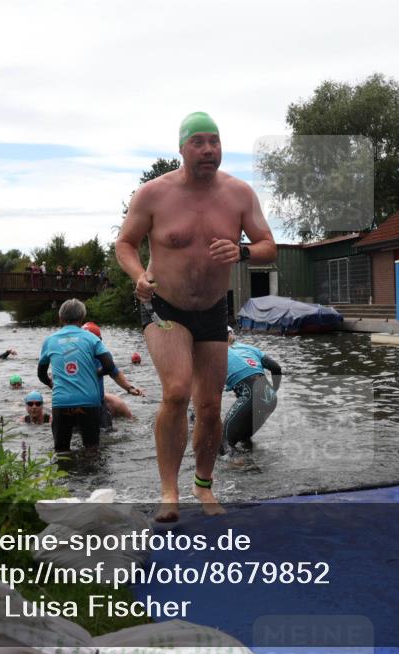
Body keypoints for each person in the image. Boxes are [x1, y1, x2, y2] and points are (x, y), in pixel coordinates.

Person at [115, 111, 277, 521]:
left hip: (212, 309)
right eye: (199, 142)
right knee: (176, 390)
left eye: (215, 141)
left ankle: (203, 486)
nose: (208, 150)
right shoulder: (153, 194)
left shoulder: (239, 194)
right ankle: (169, 492)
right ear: (182, 149)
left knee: (208, 407)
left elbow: (267, 245)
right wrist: (139, 276)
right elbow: (125, 244)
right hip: (163, 306)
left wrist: (241, 251)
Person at [37, 299, 124, 452]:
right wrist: (96, 372)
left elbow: (41, 374)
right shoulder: (92, 338)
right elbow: (109, 366)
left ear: (60, 318)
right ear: (82, 318)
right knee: (92, 449)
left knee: (61, 450)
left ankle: (65, 475)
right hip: (89, 401)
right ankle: (93, 475)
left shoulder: (50, 341)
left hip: (62, 401)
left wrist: (52, 384)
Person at [221, 327, 281, 454]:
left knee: (224, 442)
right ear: (232, 335)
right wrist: (274, 390)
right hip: (270, 397)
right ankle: (251, 464)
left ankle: (243, 467)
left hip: (250, 395)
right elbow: (276, 367)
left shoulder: (216, 353)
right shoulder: (249, 348)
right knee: (244, 438)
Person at [81, 322, 145, 420]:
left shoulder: (102, 357)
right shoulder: (73, 357)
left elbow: (115, 373)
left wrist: (130, 388)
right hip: (80, 402)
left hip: (96, 401)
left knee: (121, 408)